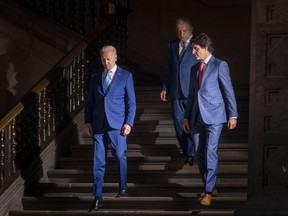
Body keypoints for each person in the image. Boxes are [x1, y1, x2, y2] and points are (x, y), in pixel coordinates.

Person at [183, 33, 238, 206]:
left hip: (215, 117)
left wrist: (233, 114)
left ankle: (207, 193)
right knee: (198, 153)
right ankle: (210, 184)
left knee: (210, 151)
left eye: (196, 49)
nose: (193, 52)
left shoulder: (220, 65)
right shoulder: (194, 69)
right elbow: (192, 96)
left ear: (205, 47)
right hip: (196, 118)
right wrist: (186, 117)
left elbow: (228, 91)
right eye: (192, 49)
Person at [84, 45, 136, 211]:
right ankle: (98, 196)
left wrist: (129, 122)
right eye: (103, 59)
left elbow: (131, 103)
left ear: (115, 58)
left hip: (117, 124)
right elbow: (90, 101)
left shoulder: (126, 76)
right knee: (98, 161)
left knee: (120, 156)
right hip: (98, 124)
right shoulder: (95, 76)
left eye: (108, 59)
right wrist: (87, 121)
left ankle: (123, 187)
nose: (105, 62)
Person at [160, 17, 198, 166]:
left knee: (193, 123)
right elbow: (169, 68)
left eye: (184, 31)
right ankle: (188, 149)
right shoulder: (172, 45)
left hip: (192, 91)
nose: (182, 34)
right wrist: (165, 87)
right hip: (176, 91)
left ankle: (191, 153)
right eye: (179, 31)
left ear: (191, 30)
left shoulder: (198, 44)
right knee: (178, 122)